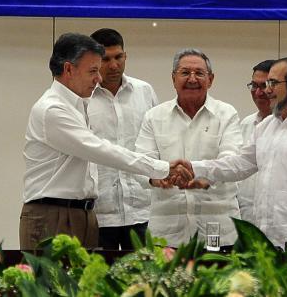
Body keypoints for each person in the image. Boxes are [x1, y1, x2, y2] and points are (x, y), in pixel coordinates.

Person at [20, 33, 188, 250]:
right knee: (52, 284)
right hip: (53, 214)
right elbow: (100, 150)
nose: (99, 78)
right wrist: (161, 168)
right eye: (93, 71)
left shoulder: (79, 103)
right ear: (69, 69)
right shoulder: (53, 109)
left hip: (84, 213)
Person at [176, 56, 287, 248]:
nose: (267, 90)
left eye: (273, 83)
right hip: (267, 242)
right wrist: (192, 167)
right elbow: (238, 165)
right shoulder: (266, 127)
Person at [135, 48, 243, 246]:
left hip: (218, 227)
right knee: (168, 277)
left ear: (210, 79)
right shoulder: (154, 116)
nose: (192, 79)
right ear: (173, 78)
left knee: (218, 276)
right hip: (166, 232)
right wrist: (158, 178)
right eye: (185, 72)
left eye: (199, 73)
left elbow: (232, 160)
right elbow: (141, 163)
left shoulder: (227, 114)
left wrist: (202, 176)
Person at [88, 28, 158, 250]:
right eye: (106, 59)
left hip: (142, 209)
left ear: (125, 56)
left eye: (118, 57)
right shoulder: (83, 96)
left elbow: (157, 142)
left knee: (145, 280)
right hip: (101, 211)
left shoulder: (144, 91)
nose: (114, 65)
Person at [236, 59, 275, 224]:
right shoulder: (246, 124)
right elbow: (238, 166)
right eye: (254, 86)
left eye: (264, 86)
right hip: (247, 220)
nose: (258, 92)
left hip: (282, 226)